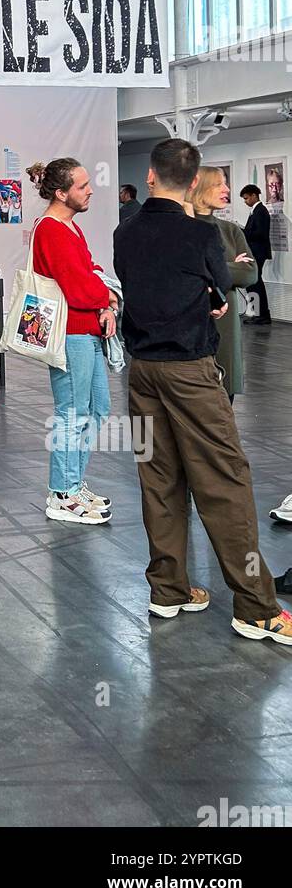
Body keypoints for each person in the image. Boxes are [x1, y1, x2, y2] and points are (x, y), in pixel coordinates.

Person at [114, 139, 291, 646]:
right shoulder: (200, 235)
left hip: (142, 371)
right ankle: (256, 608)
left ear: (150, 176)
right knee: (225, 479)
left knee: (159, 478)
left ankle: (167, 589)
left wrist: (204, 294)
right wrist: (209, 298)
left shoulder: (123, 232)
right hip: (189, 371)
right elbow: (221, 284)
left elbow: (143, 282)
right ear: (193, 183)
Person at [27, 159, 116, 525]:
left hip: (87, 331)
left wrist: (105, 300)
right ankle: (61, 493)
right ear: (61, 193)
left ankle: (73, 483)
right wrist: (107, 298)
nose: (90, 189)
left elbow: (92, 270)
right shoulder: (51, 229)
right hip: (71, 333)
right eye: (82, 185)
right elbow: (80, 288)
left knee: (97, 410)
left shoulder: (69, 227)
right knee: (72, 413)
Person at [186, 167, 257, 403]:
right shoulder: (182, 228)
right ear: (198, 186)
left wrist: (211, 267)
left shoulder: (230, 230)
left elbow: (250, 273)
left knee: (225, 404)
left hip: (227, 332)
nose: (227, 189)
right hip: (192, 331)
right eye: (219, 184)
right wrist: (228, 265)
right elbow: (183, 269)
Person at [240, 184, 272, 326]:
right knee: (254, 283)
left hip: (258, 252)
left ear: (254, 195)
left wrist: (243, 232)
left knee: (255, 283)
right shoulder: (256, 211)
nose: (245, 201)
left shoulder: (260, 211)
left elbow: (260, 233)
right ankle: (259, 313)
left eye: (246, 198)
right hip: (255, 251)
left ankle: (262, 314)